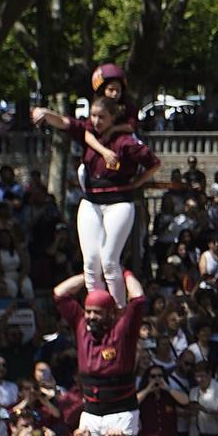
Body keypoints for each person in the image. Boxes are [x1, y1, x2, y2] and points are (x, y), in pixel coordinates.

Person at [28, 96, 158, 307]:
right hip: (91, 202)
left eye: (102, 117)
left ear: (113, 117)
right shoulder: (87, 134)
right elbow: (63, 122)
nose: (96, 121)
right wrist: (44, 112)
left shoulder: (124, 142)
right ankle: (97, 305)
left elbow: (153, 163)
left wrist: (136, 183)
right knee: (90, 263)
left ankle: (118, 308)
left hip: (118, 203)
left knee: (108, 261)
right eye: (93, 116)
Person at [53, 270, 147, 436]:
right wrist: (92, 273)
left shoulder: (122, 330)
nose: (91, 317)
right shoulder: (80, 325)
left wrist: (123, 273)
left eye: (97, 312)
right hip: (91, 414)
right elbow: (60, 293)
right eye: (88, 311)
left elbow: (138, 300)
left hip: (120, 414)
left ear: (110, 313)